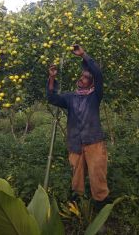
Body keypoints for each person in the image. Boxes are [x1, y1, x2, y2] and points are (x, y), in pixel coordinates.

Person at [47, 44, 109, 209]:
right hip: (75, 142)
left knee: (98, 175)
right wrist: (52, 78)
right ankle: (78, 204)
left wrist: (84, 55)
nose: (81, 79)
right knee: (77, 175)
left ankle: (101, 207)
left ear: (91, 83)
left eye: (86, 78)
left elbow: (98, 74)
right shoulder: (70, 97)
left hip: (94, 141)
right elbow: (53, 99)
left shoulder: (96, 96)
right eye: (81, 76)